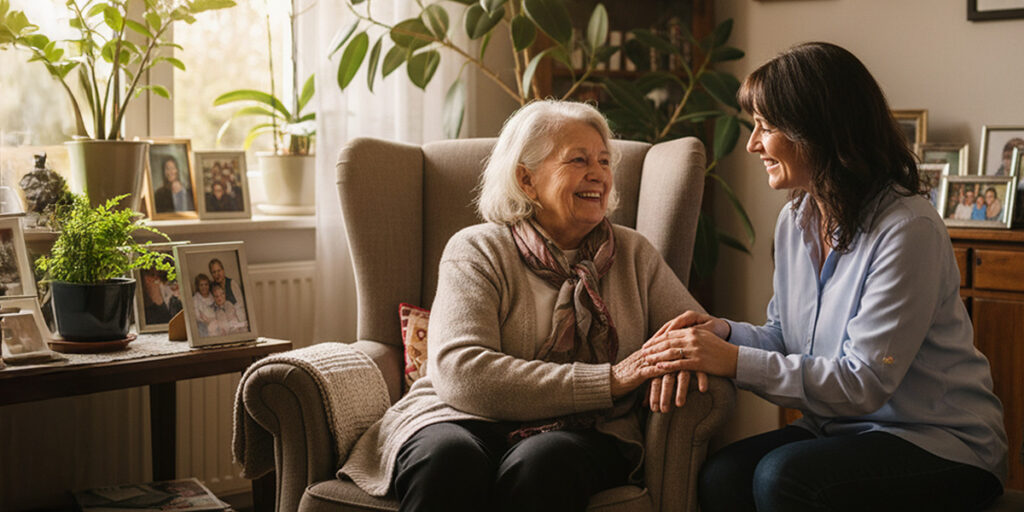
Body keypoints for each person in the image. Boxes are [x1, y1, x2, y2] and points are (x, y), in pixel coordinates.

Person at [641, 42, 1007, 511]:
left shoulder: (907, 228)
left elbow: (863, 382)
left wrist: (730, 359)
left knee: (784, 478)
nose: (753, 144)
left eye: (766, 128)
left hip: (939, 443)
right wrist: (723, 333)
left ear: (817, 131)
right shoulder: (796, 220)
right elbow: (787, 336)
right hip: (836, 429)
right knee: (722, 474)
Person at [339, 100, 704, 511]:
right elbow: (462, 372)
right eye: (578, 160)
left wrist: (684, 357)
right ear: (526, 180)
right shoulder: (477, 249)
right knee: (447, 460)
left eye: (604, 161)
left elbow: (696, 331)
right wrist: (609, 381)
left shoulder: (635, 254)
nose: (599, 174)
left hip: (585, 430)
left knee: (543, 464)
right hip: (457, 416)